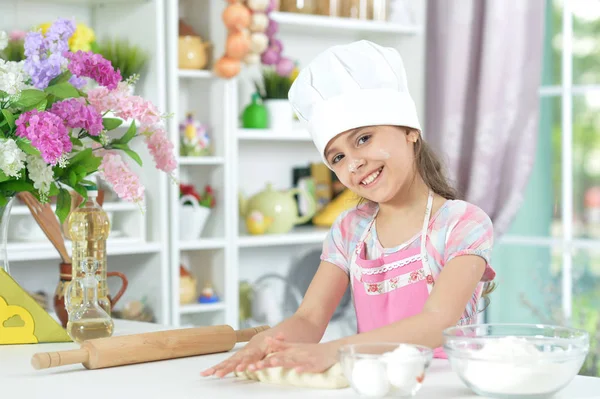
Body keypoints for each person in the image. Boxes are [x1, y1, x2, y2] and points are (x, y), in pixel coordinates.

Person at [201, 40, 496, 378]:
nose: (354, 163)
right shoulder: (350, 229)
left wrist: (338, 351)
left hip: (445, 385)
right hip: (371, 384)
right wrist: (269, 342)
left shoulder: (463, 224)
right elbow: (310, 319)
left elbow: (437, 323)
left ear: (410, 130)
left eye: (363, 139)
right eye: (337, 157)